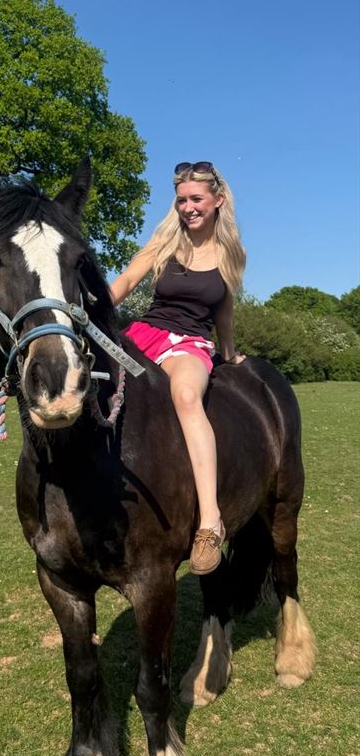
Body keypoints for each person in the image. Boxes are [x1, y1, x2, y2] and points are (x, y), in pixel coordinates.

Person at [110, 161, 246, 574]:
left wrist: (229, 353)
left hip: (190, 343)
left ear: (217, 201)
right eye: (182, 200)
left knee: (187, 397)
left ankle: (209, 522)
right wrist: (89, 308)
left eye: (196, 199)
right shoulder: (164, 241)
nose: (188, 207)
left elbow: (223, 312)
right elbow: (125, 282)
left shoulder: (229, 254)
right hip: (144, 334)